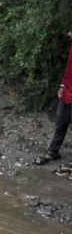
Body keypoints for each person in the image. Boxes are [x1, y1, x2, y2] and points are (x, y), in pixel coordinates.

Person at [36, 30, 72, 164]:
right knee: (61, 122)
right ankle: (53, 151)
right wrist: (62, 85)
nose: (68, 34)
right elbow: (69, 69)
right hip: (68, 90)